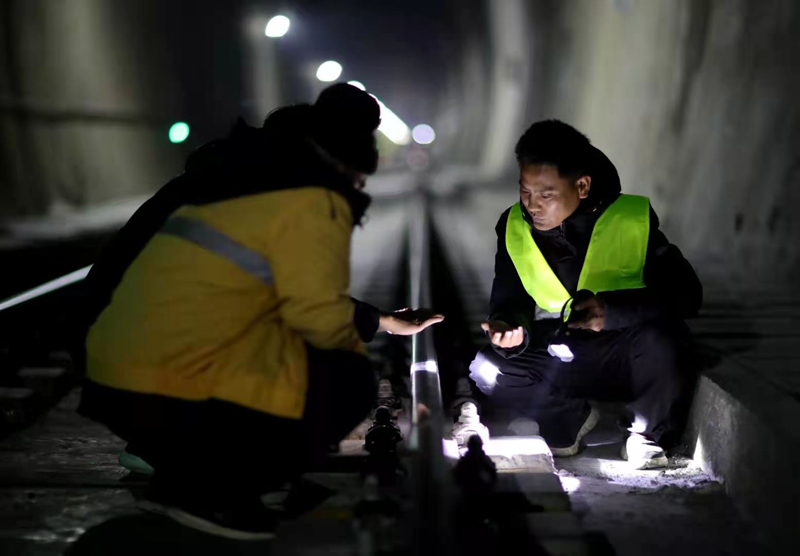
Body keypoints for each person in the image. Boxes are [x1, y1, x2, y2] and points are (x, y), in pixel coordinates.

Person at [77, 83, 442, 541]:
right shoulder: (296, 202)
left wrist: (377, 319)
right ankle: (219, 494)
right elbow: (312, 314)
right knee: (344, 378)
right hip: (153, 380)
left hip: (110, 366)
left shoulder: (228, 177)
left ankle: (186, 466)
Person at [470, 120, 702, 469]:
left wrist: (611, 312)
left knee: (666, 343)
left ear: (581, 186)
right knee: (486, 367)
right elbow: (510, 296)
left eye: (546, 195)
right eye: (525, 191)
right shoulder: (514, 225)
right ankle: (570, 418)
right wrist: (510, 328)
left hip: (625, 355)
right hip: (563, 353)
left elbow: (687, 296)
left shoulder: (629, 220)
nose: (532, 206)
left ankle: (646, 433)